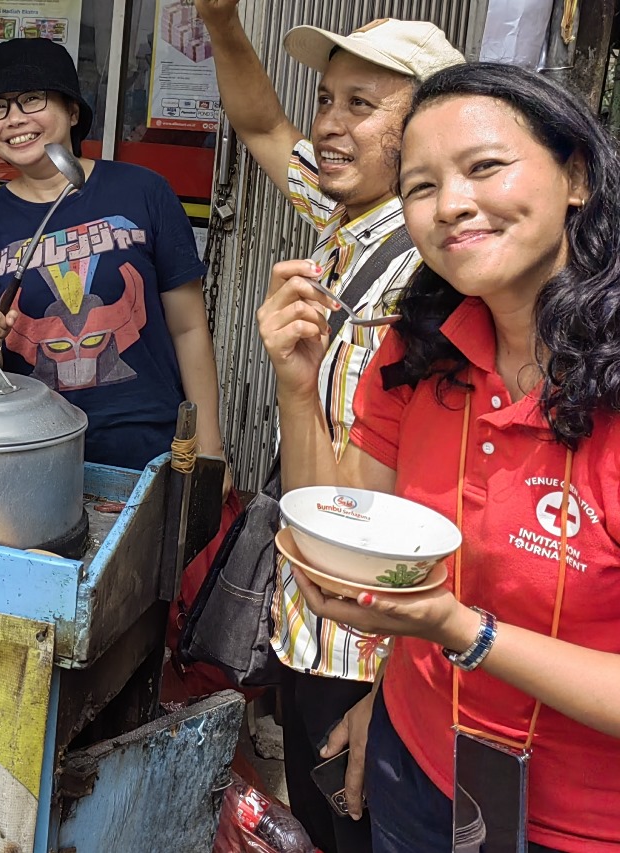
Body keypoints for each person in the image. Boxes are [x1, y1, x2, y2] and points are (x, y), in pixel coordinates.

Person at [260, 61, 620, 852]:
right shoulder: (422, 348)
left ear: (578, 176)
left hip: (579, 829)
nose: (452, 204)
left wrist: (463, 630)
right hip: (416, 767)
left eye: (485, 167)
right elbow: (345, 531)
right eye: (420, 187)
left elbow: (451, 617)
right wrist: (298, 382)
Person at [195, 5, 463, 847]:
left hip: (374, 648)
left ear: (428, 130)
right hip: (316, 623)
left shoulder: (440, 266)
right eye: (329, 99)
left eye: (361, 104)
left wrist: (391, 690)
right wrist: (218, 20)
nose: (330, 125)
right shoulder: (353, 221)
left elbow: (441, 492)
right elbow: (260, 121)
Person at [0, 37, 225, 473]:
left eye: (31, 100)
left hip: (147, 445)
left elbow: (189, 328)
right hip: (29, 451)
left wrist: (207, 449)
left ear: (73, 111)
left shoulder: (143, 191)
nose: (14, 119)